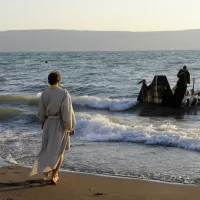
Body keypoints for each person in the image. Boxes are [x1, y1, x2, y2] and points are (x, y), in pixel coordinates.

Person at [30, 71, 76, 184]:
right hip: (60, 124)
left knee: (48, 148)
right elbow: (67, 112)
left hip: (48, 123)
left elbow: (41, 112)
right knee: (59, 151)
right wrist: (70, 127)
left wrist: (43, 121)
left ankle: (47, 171)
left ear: (49, 81)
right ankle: (54, 175)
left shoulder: (44, 94)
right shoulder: (64, 93)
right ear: (59, 81)